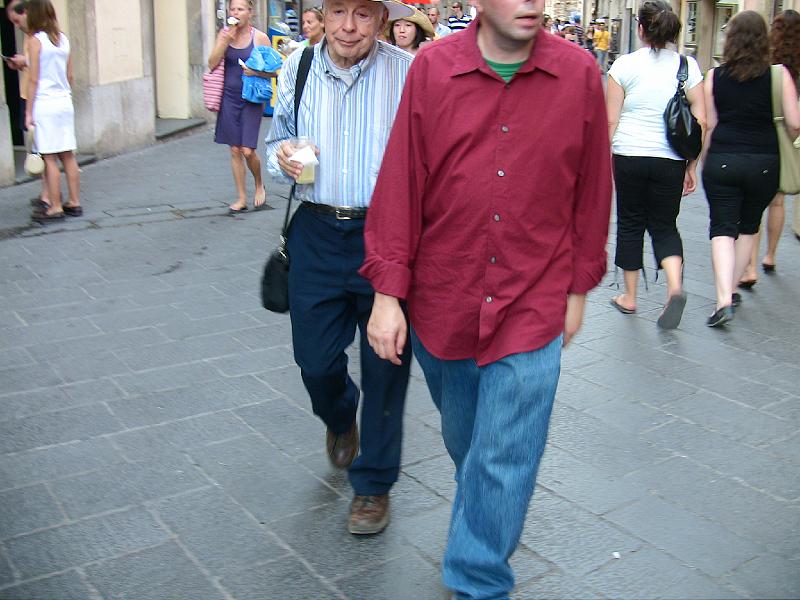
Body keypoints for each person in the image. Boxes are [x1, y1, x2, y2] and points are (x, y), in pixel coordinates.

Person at [360, 0, 612, 594]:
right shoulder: (433, 70)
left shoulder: (578, 75)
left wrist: (579, 284)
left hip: (533, 298)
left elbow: (594, 185)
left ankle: (477, 580)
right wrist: (387, 293)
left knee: (503, 455)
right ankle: (481, 512)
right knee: (470, 445)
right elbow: (402, 180)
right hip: (445, 298)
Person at [264, 0, 415, 535]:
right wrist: (279, 158)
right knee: (315, 361)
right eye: (337, 12)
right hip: (317, 230)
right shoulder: (296, 67)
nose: (349, 26)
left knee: (386, 366)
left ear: (379, 18)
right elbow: (273, 140)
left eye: (363, 13)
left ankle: (373, 487)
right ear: (321, 16)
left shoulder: (407, 72)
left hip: (386, 235)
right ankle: (337, 414)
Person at [606, 0, 705, 329]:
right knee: (665, 225)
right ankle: (674, 287)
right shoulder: (687, 68)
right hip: (670, 159)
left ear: (641, 29)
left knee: (630, 223)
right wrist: (691, 166)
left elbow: (610, 121)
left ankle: (630, 298)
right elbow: (700, 120)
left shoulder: (623, 66)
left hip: (629, 155)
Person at [701, 10, 800, 327]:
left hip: (723, 159)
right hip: (764, 162)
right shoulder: (779, 75)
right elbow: (795, 123)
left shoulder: (713, 77)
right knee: (747, 227)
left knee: (721, 229)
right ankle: (732, 289)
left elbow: (710, 125)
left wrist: (702, 162)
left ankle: (722, 299)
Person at [739, 9, 800, 286]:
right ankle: (770, 256)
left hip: (764, 132)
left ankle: (749, 264)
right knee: (777, 200)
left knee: (754, 203)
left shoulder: (769, 61)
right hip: (789, 134)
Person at [208, 0, 271, 215]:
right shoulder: (225, 34)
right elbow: (211, 63)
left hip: (251, 98)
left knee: (248, 150)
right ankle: (242, 198)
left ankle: (259, 184)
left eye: (240, 9)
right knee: (234, 149)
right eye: (233, 9)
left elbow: (274, 70)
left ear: (249, 12)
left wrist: (257, 73)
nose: (235, 13)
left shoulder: (260, 37)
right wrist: (224, 41)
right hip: (229, 97)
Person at [25, 0, 81, 222]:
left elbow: (34, 79)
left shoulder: (35, 41)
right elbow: (70, 76)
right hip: (64, 102)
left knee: (49, 157)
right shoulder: (63, 39)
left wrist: (28, 111)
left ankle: (55, 206)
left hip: (45, 103)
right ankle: (75, 202)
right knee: (68, 155)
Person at [5, 0, 50, 211]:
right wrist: (22, 62)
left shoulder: (37, 38)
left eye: (16, 20)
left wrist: (29, 111)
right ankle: (47, 194)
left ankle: (50, 198)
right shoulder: (32, 37)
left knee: (43, 150)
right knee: (39, 149)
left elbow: (37, 75)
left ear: (26, 13)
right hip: (29, 95)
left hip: (36, 97)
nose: (15, 25)